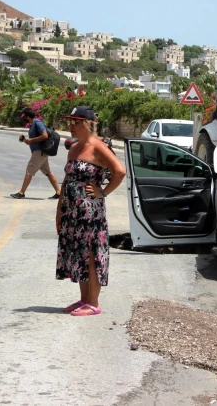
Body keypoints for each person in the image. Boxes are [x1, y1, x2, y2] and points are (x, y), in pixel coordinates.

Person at [55, 106, 126, 316]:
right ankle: (84, 299)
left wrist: (102, 192)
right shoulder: (74, 148)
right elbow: (67, 178)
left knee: (91, 254)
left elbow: (120, 171)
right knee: (78, 253)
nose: (71, 126)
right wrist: (59, 210)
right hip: (71, 211)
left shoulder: (97, 146)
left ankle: (93, 303)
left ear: (86, 124)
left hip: (89, 212)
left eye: (75, 122)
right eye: (70, 121)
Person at [11, 107, 61, 199]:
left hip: (39, 152)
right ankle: (59, 192)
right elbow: (32, 141)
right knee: (48, 172)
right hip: (40, 152)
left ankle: (21, 192)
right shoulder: (33, 124)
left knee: (29, 171)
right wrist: (26, 140)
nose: (24, 119)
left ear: (27, 117)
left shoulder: (37, 123)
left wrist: (31, 140)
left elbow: (45, 135)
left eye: (24, 117)